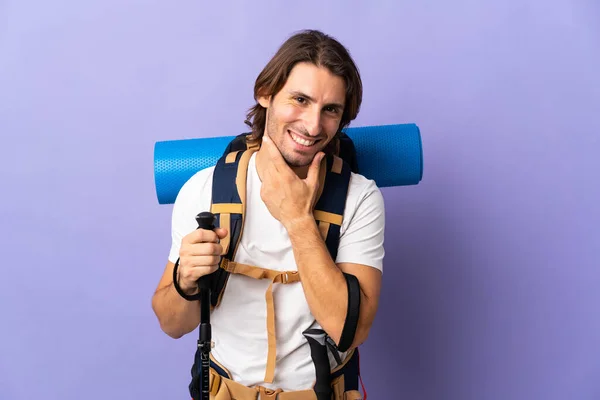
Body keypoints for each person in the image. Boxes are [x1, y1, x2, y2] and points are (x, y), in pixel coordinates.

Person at [151, 29, 385, 399]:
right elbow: (171, 323)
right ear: (265, 93)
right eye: (300, 100)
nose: (312, 126)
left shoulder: (360, 198)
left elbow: (350, 331)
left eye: (331, 110)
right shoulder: (204, 189)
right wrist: (186, 279)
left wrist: (297, 219)